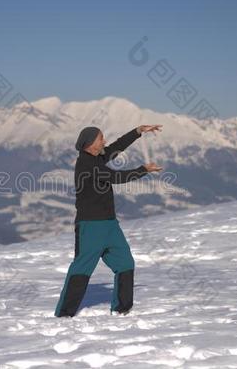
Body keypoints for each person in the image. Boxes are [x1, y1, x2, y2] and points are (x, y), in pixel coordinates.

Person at [54, 124, 163, 317]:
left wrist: (136, 131)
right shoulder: (86, 165)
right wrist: (143, 169)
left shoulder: (96, 158)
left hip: (110, 225)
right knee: (81, 269)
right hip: (90, 226)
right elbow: (115, 177)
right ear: (89, 144)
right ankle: (64, 313)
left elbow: (115, 148)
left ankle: (122, 310)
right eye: (100, 138)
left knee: (125, 264)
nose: (104, 141)